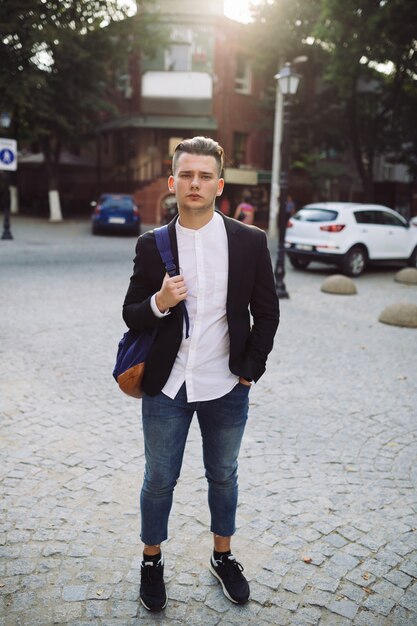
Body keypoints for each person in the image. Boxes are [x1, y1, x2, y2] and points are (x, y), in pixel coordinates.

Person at [122, 136, 280, 612]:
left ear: (219, 184)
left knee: (224, 476)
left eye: (204, 175)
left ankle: (223, 556)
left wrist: (250, 370)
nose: (195, 183)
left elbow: (267, 312)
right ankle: (152, 561)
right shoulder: (152, 245)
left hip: (226, 385)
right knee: (159, 479)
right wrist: (160, 303)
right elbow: (132, 313)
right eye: (186, 175)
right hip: (167, 385)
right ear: (172, 183)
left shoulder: (249, 242)